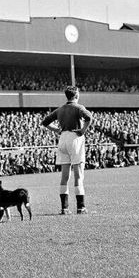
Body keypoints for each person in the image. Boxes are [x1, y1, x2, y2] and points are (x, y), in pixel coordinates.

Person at [41, 86, 93, 214]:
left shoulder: (60, 109)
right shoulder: (79, 107)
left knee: (64, 176)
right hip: (75, 138)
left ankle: (64, 208)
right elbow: (89, 118)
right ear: (76, 95)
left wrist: (57, 130)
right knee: (78, 175)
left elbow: (45, 122)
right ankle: (81, 207)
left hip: (63, 139)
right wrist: (83, 130)